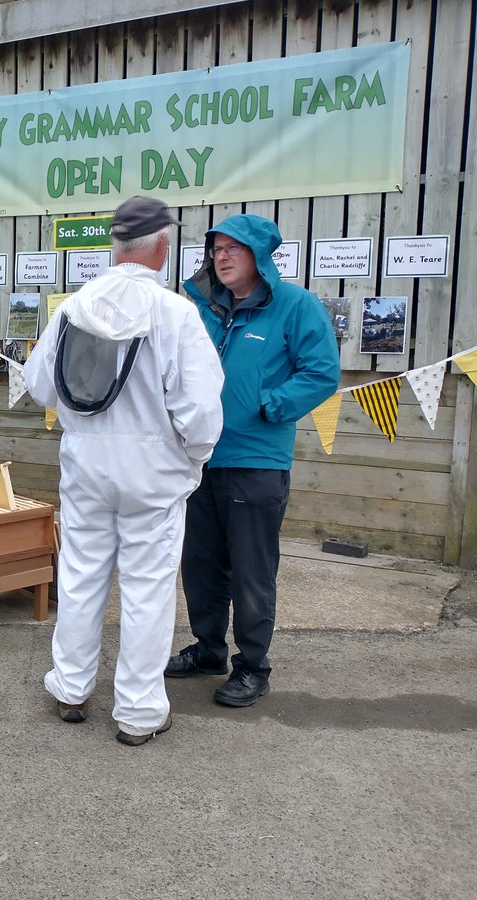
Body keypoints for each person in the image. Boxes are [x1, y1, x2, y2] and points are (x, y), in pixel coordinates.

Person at [23, 196, 224, 746]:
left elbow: (40, 386)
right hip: (153, 472)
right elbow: (201, 412)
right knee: (147, 590)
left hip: (85, 464)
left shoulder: (72, 309)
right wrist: (193, 460)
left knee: (82, 575)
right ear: (163, 244)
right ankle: (137, 713)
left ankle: (70, 689)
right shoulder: (177, 314)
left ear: (115, 243)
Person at [169, 214, 340, 707]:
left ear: (260, 257)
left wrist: (271, 406)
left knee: (251, 570)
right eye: (216, 249)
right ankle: (208, 649)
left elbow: (322, 373)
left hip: (257, 462)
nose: (221, 257)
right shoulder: (200, 308)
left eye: (233, 249)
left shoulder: (296, 307)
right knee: (200, 564)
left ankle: (252, 666)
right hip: (197, 460)